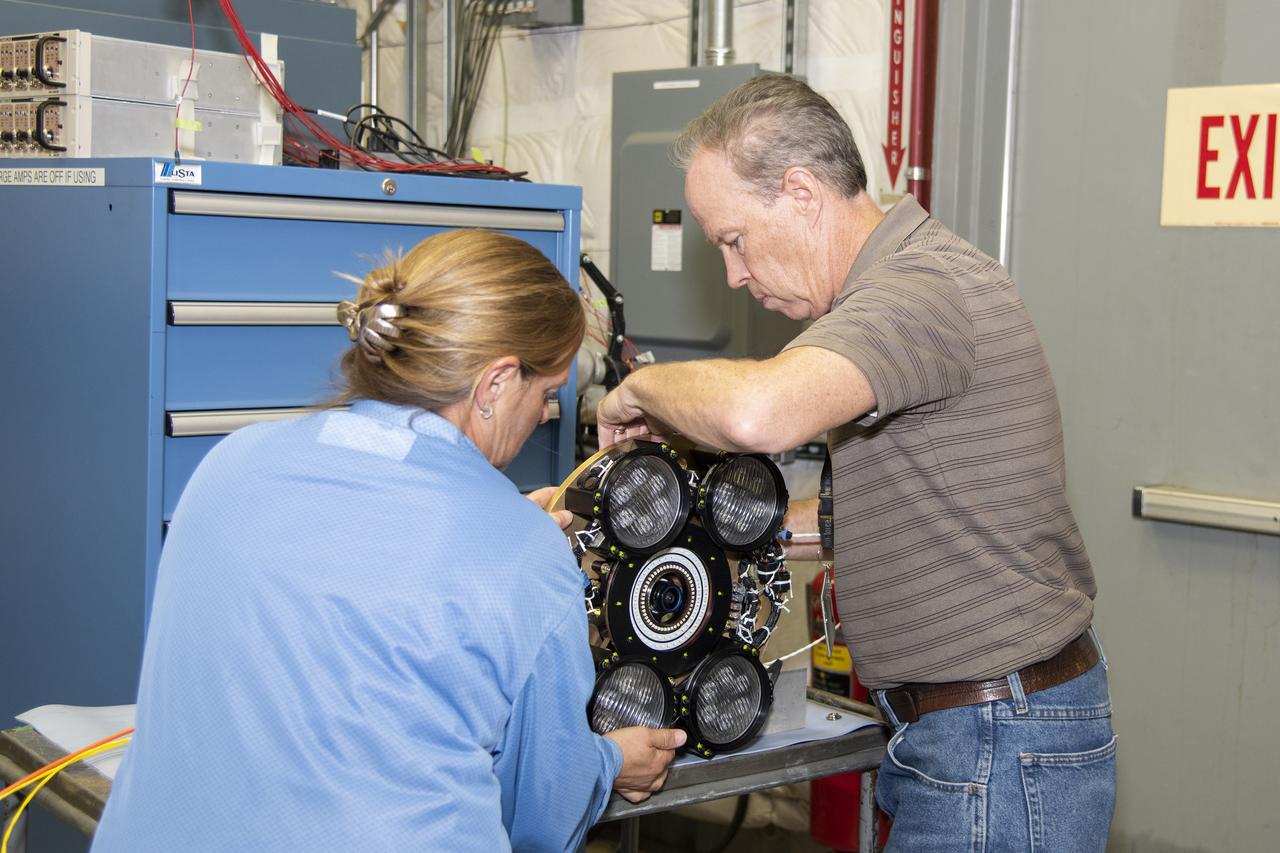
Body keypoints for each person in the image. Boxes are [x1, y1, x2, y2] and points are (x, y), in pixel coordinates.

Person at [597, 74, 1115, 852]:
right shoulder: (903, 287)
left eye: (734, 240)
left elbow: (756, 415)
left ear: (801, 193)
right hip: (973, 733)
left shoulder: (917, 290)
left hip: (995, 739)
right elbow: (865, 518)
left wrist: (642, 388)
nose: (734, 274)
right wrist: (689, 537)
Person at [92, 230, 684, 853]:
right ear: (496, 384)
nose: (544, 414)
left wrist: (502, 532)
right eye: (545, 393)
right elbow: (538, 811)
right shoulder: (524, 556)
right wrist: (609, 763)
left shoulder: (231, 462)